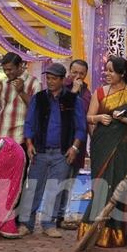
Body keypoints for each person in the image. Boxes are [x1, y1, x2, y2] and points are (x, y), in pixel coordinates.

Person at [78, 56, 127, 248]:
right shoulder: (100, 92)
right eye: (106, 70)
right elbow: (88, 117)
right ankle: (94, 230)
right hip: (102, 146)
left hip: (123, 148)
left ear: (121, 74)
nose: (108, 74)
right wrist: (99, 118)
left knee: (118, 188)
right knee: (101, 186)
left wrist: (124, 119)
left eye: (112, 71)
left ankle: (116, 232)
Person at [18, 63, 86, 237]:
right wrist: (30, 144)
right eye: (48, 78)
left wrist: (74, 148)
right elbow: (29, 123)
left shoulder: (73, 100)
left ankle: (49, 224)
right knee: (33, 187)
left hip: (62, 152)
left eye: (54, 78)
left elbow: (80, 127)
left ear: (63, 80)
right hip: (40, 150)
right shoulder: (38, 98)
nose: (50, 81)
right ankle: (27, 224)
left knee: (55, 189)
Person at [53, 59, 91, 230]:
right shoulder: (61, 88)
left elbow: (85, 116)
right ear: (69, 72)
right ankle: (55, 216)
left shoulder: (87, 93)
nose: (77, 76)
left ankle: (63, 215)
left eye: (81, 74)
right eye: (74, 72)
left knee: (70, 180)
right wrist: (73, 92)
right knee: (58, 179)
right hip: (61, 142)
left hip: (78, 143)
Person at [0, 53, 41, 144]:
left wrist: (21, 92)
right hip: (1, 134)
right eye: (4, 70)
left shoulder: (33, 83)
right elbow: (0, 109)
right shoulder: (4, 83)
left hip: (19, 137)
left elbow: (37, 109)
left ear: (20, 66)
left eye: (10, 69)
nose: (7, 73)